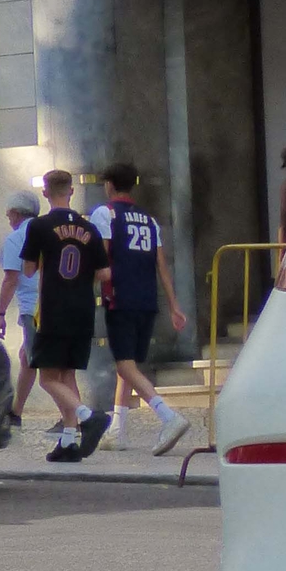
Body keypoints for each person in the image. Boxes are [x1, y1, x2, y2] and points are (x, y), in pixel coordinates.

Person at [91, 163, 193, 457]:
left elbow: (103, 256)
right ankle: (117, 431)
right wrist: (174, 305)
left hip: (120, 297)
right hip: (147, 299)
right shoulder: (149, 220)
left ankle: (167, 416)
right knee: (130, 363)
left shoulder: (105, 213)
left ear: (109, 185)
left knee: (124, 364)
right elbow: (162, 265)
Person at [19, 170, 109, 463]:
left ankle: (88, 416)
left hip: (53, 309)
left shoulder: (39, 226)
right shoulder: (90, 228)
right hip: (83, 308)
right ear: (71, 191)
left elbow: (29, 269)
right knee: (67, 374)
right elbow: (104, 273)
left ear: (46, 193)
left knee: (47, 377)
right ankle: (69, 441)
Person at [0, 192, 42, 425]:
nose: (8, 218)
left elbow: (10, 279)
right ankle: (16, 412)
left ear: (18, 213)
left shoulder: (15, 238)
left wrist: (0, 314)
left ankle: (76, 413)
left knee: (37, 362)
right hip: (55, 303)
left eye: (9, 214)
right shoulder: (47, 229)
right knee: (26, 356)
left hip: (33, 309)